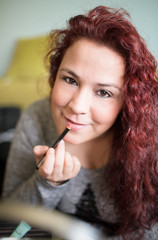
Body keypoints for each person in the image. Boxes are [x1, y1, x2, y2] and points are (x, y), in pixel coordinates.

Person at [2, 5, 158, 240]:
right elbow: (13, 229)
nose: (77, 106)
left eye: (104, 93)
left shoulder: (151, 140)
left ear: (129, 103)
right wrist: (47, 184)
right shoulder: (37, 117)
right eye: (70, 80)